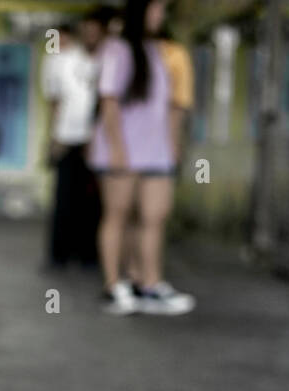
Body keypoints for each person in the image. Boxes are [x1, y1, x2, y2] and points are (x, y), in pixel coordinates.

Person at [91, 0, 195, 315]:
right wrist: (118, 150)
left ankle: (149, 283)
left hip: (155, 150)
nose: (161, 15)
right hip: (121, 150)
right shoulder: (117, 49)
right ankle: (114, 285)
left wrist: (172, 145)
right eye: (156, 8)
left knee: (154, 215)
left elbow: (169, 107)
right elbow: (108, 102)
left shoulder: (159, 51)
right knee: (117, 215)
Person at [40, 14, 103, 267]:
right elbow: (54, 102)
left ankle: (87, 253)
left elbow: (98, 101)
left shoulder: (91, 59)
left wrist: (94, 138)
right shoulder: (53, 61)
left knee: (89, 200)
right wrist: (54, 137)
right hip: (66, 138)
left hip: (91, 138)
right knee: (64, 198)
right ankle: (60, 254)